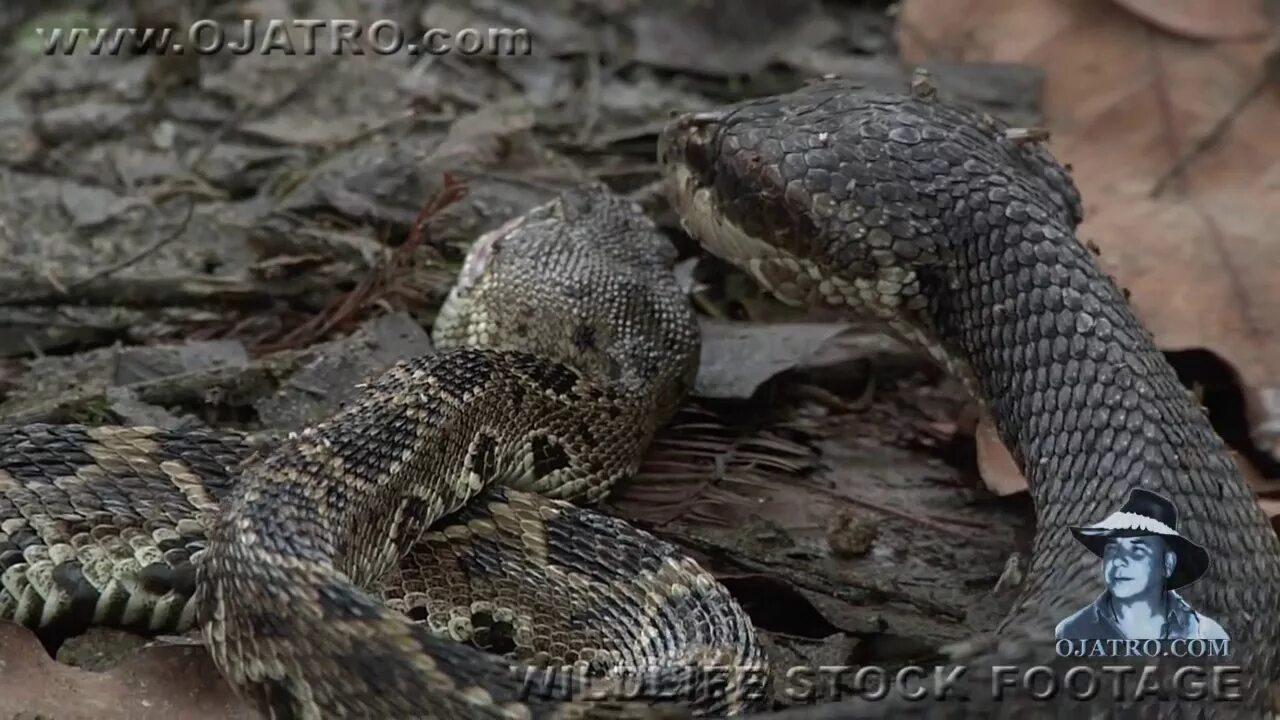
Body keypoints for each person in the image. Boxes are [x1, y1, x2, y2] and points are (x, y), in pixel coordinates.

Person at [1054, 488, 1229, 641]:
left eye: (1137, 550)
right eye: (1113, 549)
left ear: (1168, 563)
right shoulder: (1071, 633)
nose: (1119, 560)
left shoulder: (1206, 636)